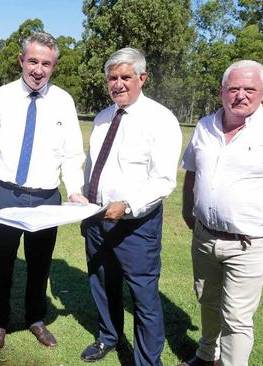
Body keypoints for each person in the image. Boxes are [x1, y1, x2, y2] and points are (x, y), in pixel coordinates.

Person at [178, 60, 263, 366]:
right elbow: (191, 172)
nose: (240, 95)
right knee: (208, 301)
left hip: (248, 243)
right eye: (233, 88)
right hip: (205, 236)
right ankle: (205, 354)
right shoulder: (205, 125)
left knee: (237, 317)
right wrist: (188, 210)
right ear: (222, 91)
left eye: (249, 89)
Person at [0, 32, 88, 352]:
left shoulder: (63, 101)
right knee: (3, 262)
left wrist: (74, 190)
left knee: (40, 264)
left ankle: (36, 319)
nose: (38, 69)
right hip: (6, 193)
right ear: (21, 60)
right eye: (32, 61)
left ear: (54, 65)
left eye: (46, 63)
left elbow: (72, 153)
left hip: (47, 197)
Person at [80, 48, 182, 365]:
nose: (119, 84)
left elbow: (164, 179)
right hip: (97, 220)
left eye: (126, 77)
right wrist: (85, 198)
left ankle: (147, 361)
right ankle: (108, 337)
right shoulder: (102, 118)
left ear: (142, 78)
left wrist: (127, 206)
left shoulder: (161, 120)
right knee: (102, 283)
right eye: (113, 78)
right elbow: (92, 165)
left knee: (143, 297)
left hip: (136, 226)